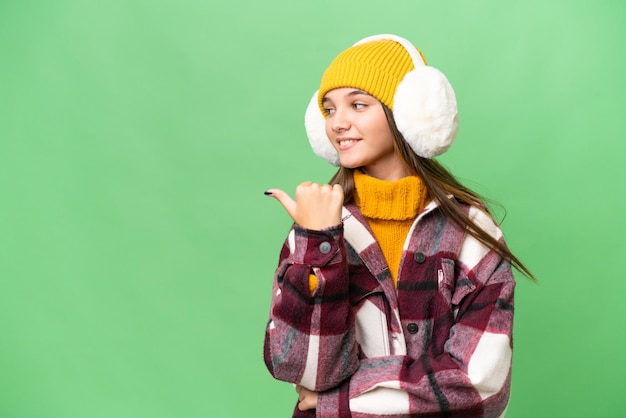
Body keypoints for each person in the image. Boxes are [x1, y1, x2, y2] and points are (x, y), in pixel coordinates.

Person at [263, 34, 534, 418]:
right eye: (328, 109)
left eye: (358, 104)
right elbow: (304, 369)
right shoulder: (317, 227)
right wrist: (316, 245)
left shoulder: (472, 234)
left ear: (410, 113)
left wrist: (342, 399)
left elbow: (479, 386)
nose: (338, 123)